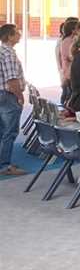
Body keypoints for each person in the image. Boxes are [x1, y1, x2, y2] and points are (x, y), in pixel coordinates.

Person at [0, 24, 25, 176]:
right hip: (8, 96)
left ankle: (3, 160)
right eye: (17, 32)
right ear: (9, 36)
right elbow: (12, 80)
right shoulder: (8, 54)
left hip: (2, 94)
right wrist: (20, 96)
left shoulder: (3, 51)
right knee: (10, 131)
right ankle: (5, 165)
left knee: (2, 130)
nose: (19, 35)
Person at [58, 19, 78, 105]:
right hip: (69, 72)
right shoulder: (68, 41)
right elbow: (70, 56)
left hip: (69, 71)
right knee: (70, 94)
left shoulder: (67, 40)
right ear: (72, 30)